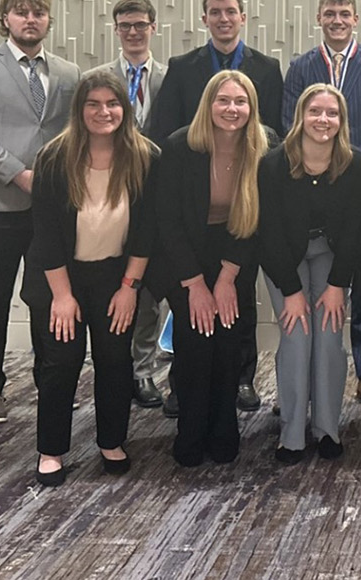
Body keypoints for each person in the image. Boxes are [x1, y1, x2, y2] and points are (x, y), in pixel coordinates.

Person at [147, 0, 282, 413]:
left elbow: (271, 135)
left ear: (243, 17)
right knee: (188, 307)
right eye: (214, 13)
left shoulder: (267, 67)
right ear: (204, 19)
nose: (223, 19)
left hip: (242, 211)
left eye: (231, 12)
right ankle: (181, 384)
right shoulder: (183, 67)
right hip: (190, 212)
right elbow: (165, 128)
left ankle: (241, 380)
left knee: (239, 300)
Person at [0, 0, 81, 425]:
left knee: (48, 296)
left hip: (54, 207)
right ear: (5, 18)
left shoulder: (68, 72)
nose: (31, 20)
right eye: (21, 12)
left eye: (39, 13)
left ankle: (52, 379)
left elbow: (75, 133)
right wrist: (21, 175)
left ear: (48, 21)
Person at [22, 70, 156, 486]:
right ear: (79, 110)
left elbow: (149, 230)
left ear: (125, 108)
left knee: (115, 361)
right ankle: (51, 449)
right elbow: (44, 235)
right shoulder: (53, 158)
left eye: (112, 103)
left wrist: (130, 287)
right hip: (60, 278)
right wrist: (62, 297)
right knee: (61, 362)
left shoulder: (145, 157)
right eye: (93, 104)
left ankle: (112, 441)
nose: (104, 112)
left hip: (117, 277)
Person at [281, 0, 361, 412]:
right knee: (309, 293)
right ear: (318, 18)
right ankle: (306, 382)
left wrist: (344, 167)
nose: (337, 19)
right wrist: (319, 166)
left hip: (360, 189)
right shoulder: (301, 67)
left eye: (344, 13)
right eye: (329, 13)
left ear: (356, 19)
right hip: (306, 192)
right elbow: (290, 122)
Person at [147, 70, 268, 467]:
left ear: (251, 108)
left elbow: (258, 221)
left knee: (229, 342)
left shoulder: (264, 150)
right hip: (184, 256)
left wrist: (228, 277)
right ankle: (191, 431)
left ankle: (224, 428)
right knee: (195, 343)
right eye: (223, 101)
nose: (232, 109)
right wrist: (195, 283)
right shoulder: (181, 147)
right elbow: (166, 221)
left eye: (240, 102)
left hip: (235, 252)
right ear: (208, 105)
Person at [259, 84, 361, 464]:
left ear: (342, 121)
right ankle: (291, 433)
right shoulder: (273, 164)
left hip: (331, 258)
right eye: (315, 112)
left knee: (328, 336)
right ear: (300, 117)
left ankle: (327, 428)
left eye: (332, 113)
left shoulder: (354, 164)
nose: (324, 120)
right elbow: (267, 234)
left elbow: (355, 232)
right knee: (297, 334)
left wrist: (339, 284)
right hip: (284, 260)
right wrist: (290, 291)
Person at [84, 0, 170, 409]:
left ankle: (143, 371)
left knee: (148, 291)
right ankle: (112, 370)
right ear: (116, 30)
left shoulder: (172, 78)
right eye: (125, 26)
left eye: (140, 24)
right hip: (105, 195)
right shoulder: (95, 80)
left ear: (154, 28)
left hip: (154, 194)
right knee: (111, 289)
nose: (133, 32)